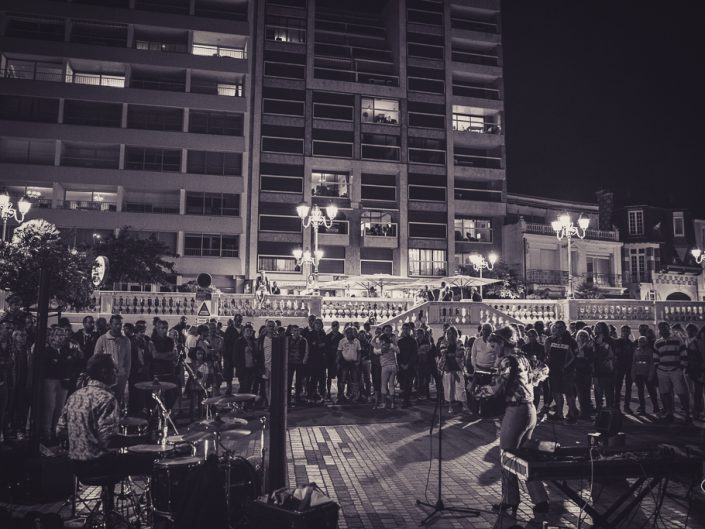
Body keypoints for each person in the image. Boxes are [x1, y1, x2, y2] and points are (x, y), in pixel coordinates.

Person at [484, 326, 549, 516]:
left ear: (503, 343)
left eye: (495, 345)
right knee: (524, 455)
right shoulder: (522, 357)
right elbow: (543, 369)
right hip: (530, 410)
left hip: (516, 410)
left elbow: (495, 389)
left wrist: (474, 391)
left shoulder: (507, 361)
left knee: (507, 455)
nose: (493, 349)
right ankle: (540, 500)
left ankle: (510, 499)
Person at [43, 327, 81, 443]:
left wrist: (63, 361)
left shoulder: (67, 350)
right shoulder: (47, 350)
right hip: (51, 380)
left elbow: (71, 363)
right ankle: (46, 432)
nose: (62, 337)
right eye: (59, 335)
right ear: (52, 337)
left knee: (60, 407)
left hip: (64, 380)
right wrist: (63, 362)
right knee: (50, 406)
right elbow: (51, 365)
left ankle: (56, 431)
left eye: (63, 335)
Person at [654, 322, 691, 423]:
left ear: (668, 328)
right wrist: (658, 368)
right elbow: (656, 357)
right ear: (659, 330)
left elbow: (683, 353)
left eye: (665, 327)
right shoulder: (658, 342)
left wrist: (681, 367)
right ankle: (670, 413)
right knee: (666, 393)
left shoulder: (677, 339)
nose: (663, 330)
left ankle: (687, 414)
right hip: (662, 371)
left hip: (675, 370)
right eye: (661, 328)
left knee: (681, 392)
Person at [94, 315, 131, 408]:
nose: (118, 326)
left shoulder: (126, 340)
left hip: (120, 377)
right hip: (106, 378)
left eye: (120, 324)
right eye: (116, 324)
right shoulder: (102, 339)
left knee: (118, 403)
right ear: (110, 324)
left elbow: (128, 360)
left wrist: (126, 375)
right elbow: (96, 358)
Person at [544, 320, 578, 423]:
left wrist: (566, 366)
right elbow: (547, 354)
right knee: (556, 392)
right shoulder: (550, 340)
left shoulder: (571, 341)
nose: (558, 329)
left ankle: (572, 415)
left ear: (565, 328)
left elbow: (574, 355)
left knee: (569, 393)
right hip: (554, 370)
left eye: (561, 327)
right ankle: (559, 414)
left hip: (567, 371)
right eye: (556, 327)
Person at [438, 326, 467, 414]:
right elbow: (443, 353)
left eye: (453, 333)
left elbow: (461, 353)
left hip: (457, 368)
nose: (451, 335)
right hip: (447, 368)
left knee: (460, 387)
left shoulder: (459, 342)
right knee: (449, 388)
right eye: (449, 333)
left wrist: (451, 354)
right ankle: (450, 406)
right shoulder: (443, 342)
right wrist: (453, 353)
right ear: (447, 334)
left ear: (456, 334)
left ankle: (464, 405)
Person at [631, 336, 659, 415]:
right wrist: (633, 374)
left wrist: (651, 375)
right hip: (639, 374)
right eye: (640, 341)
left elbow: (652, 364)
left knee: (651, 392)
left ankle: (656, 408)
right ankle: (642, 409)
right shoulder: (636, 351)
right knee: (640, 392)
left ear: (646, 342)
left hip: (647, 374)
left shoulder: (650, 351)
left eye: (643, 341)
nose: (641, 343)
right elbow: (634, 363)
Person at [613, 325, 636, 413]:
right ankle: (617, 406)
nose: (625, 333)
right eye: (624, 331)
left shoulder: (631, 343)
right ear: (621, 332)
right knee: (618, 388)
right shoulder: (617, 342)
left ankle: (627, 406)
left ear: (629, 332)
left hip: (628, 367)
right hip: (619, 367)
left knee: (628, 387)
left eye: (627, 331)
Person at [336, 326, 361, 404]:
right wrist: (337, 362)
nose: (350, 333)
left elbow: (359, 352)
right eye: (348, 332)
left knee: (354, 379)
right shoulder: (342, 341)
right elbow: (339, 352)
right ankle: (341, 396)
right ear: (346, 333)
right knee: (342, 380)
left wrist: (358, 361)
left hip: (354, 363)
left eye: (351, 332)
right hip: (344, 363)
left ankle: (354, 396)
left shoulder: (357, 341)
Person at [396, 323, 417, 408]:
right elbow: (398, 354)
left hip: (410, 366)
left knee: (409, 384)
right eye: (404, 328)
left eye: (407, 328)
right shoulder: (400, 341)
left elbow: (414, 354)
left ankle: (407, 400)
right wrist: (401, 364)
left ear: (410, 330)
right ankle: (405, 400)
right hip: (402, 365)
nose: (405, 330)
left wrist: (408, 364)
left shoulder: (413, 341)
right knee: (403, 384)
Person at [234, 325, 259, 395]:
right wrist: (237, 367)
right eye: (247, 330)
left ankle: (247, 404)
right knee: (243, 387)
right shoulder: (239, 341)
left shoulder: (253, 342)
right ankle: (240, 403)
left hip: (251, 368)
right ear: (244, 331)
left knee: (249, 387)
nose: (249, 332)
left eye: (251, 331)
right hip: (243, 368)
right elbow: (235, 356)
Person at [286, 325, 307, 406]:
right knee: (288, 381)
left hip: (299, 363)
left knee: (299, 381)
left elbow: (306, 350)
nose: (296, 332)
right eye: (294, 330)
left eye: (297, 330)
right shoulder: (288, 339)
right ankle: (288, 399)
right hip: (290, 362)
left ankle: (297, 397)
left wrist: (304, 360)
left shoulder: (303, 340)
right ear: (291, 331)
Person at [378, 330, 399, 409]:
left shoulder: (380, 346)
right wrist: (394, 342)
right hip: (393, 366)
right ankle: (392, 403)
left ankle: (383, 404)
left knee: (383, 385)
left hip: (385, 366)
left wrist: (376, 337)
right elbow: (398, 351)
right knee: (391, 385)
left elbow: (375, 349)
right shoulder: (391, 345)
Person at [326, 322, 344, 401]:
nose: (335, 327)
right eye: (334, 326)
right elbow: (326, 349)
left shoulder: (342, 337)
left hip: (339, 359)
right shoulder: (328, 336)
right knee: (329, 377)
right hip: (330, 359)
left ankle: (340, 393)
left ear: (339, 327)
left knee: (340, 377)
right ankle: (328, 393)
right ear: (332, 327)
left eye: (337, 326)